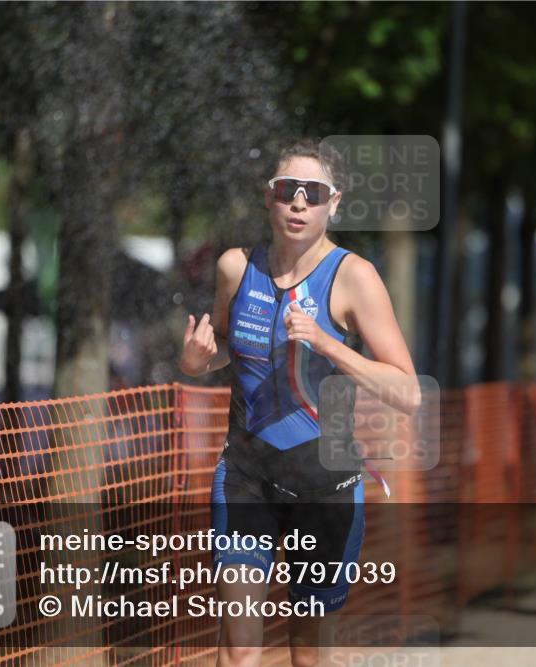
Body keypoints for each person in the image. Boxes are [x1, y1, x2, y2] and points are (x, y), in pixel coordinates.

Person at [179, 139, 419, 667]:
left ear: (334, 203)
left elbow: (407, 390)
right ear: (269, 197)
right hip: (246, 475)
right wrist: (198, 361)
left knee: (308, 654)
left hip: (324, 483)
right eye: (288, 190)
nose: (299, 203)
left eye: (313, 194)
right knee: (239, 649)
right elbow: (222, 347)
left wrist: (328, 343)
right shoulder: (235, 269)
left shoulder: (354, 277)